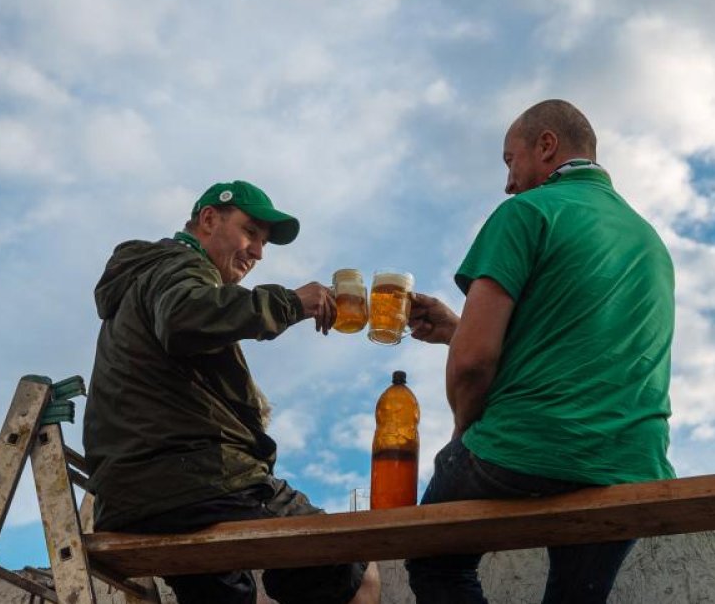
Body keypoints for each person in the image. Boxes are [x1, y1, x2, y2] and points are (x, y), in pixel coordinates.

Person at [405, 99, 676, 604]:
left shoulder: (526, 212)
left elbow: (472, 364)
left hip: (526, 447)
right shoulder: (649, 240)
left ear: (546, 145)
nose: (508, 183)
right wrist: (456, 329)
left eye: (511, 161)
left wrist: (464, 438)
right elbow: (572, 345)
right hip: (629, 463)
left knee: (433, 561)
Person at [83, 180, 379, 604]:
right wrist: (291, 303)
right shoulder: (180, 264)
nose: (258, 252)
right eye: (250, 232)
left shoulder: (147, 278)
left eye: (264, 243)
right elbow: (184, 318)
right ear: (208, 220)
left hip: (137, 496)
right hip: (194, 483)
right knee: (354, 566)